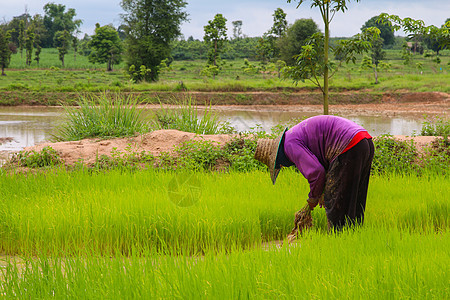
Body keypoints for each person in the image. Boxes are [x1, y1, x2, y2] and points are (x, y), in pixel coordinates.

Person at [254, 115, 374, 231]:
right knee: (355, 198)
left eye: (279, 165)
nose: (282, 166)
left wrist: (313, 199)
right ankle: (353, 236)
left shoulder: (289, 145)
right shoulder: (294, 135)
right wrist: (322, 191)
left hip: (348, 145)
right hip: (364, 141)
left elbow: (316, 172)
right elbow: (325, 167)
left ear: (278, 159)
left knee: (336, 204)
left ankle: (338, 240)